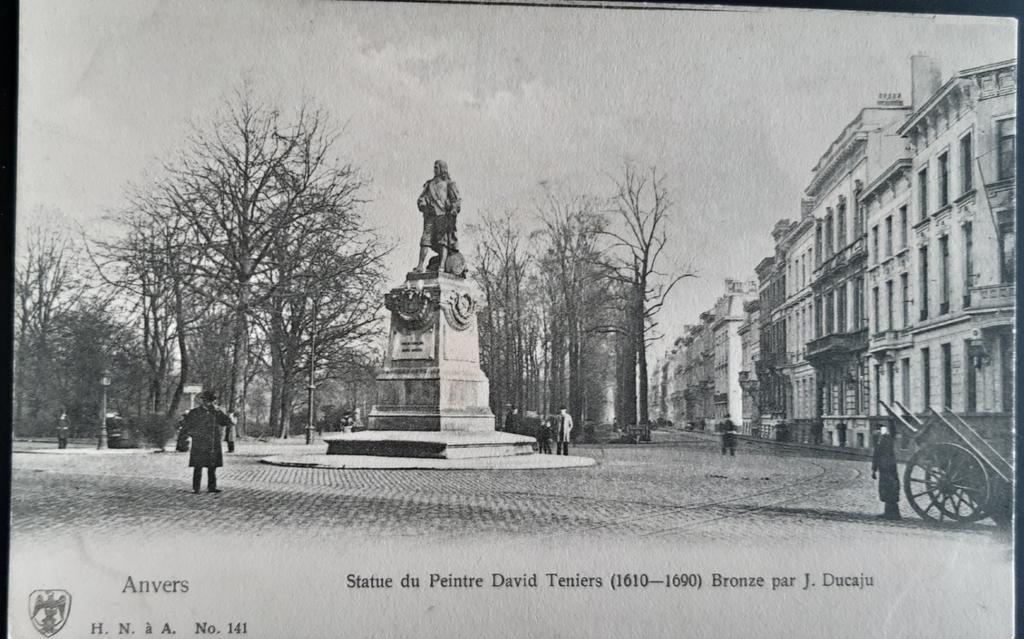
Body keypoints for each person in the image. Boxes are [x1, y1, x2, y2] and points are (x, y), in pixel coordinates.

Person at [182, 390, 233, 494]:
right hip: (200, 443)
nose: (209, 404)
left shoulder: (216, 413)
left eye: (212, 402)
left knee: (212, 466)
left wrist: (218, 411)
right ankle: (196, 487)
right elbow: (187, 426)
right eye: (207, 401)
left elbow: (227, 422)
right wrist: (194, 434)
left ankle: (212, 487)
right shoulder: (195, 412)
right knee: (198, 466)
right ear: (203, 401)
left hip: (213, 443)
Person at [415, 160, 461, 273]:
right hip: (430, 216)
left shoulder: (449, 184)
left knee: (443, 242)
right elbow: (421, 198)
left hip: (443, 216)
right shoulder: (429, 185)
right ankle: (420, 266)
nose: (434, 170)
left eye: (437, 167)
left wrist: (454, 209)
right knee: (425, 240)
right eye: (434, 167)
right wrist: (422, 203)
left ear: (443, 169)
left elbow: (456, 200)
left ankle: (441, 266)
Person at [871, 425, 901, 520]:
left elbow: (876, 455)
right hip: (890, 467)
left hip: (885, 468)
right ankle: (892, 512)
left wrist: (874, 470)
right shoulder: (886, 440)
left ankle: (892, 514)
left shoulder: (881, 442)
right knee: (889, 489)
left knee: (887, 489)